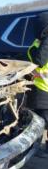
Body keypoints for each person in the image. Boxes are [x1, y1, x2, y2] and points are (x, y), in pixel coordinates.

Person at [27, 12, 48, 146]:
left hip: (43, 88)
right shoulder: (40, 40)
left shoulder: (45, 41)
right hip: (38, 86)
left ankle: (38, 146)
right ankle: (38, 145)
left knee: (41, 120)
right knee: (38, 120)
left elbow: (39, 60)